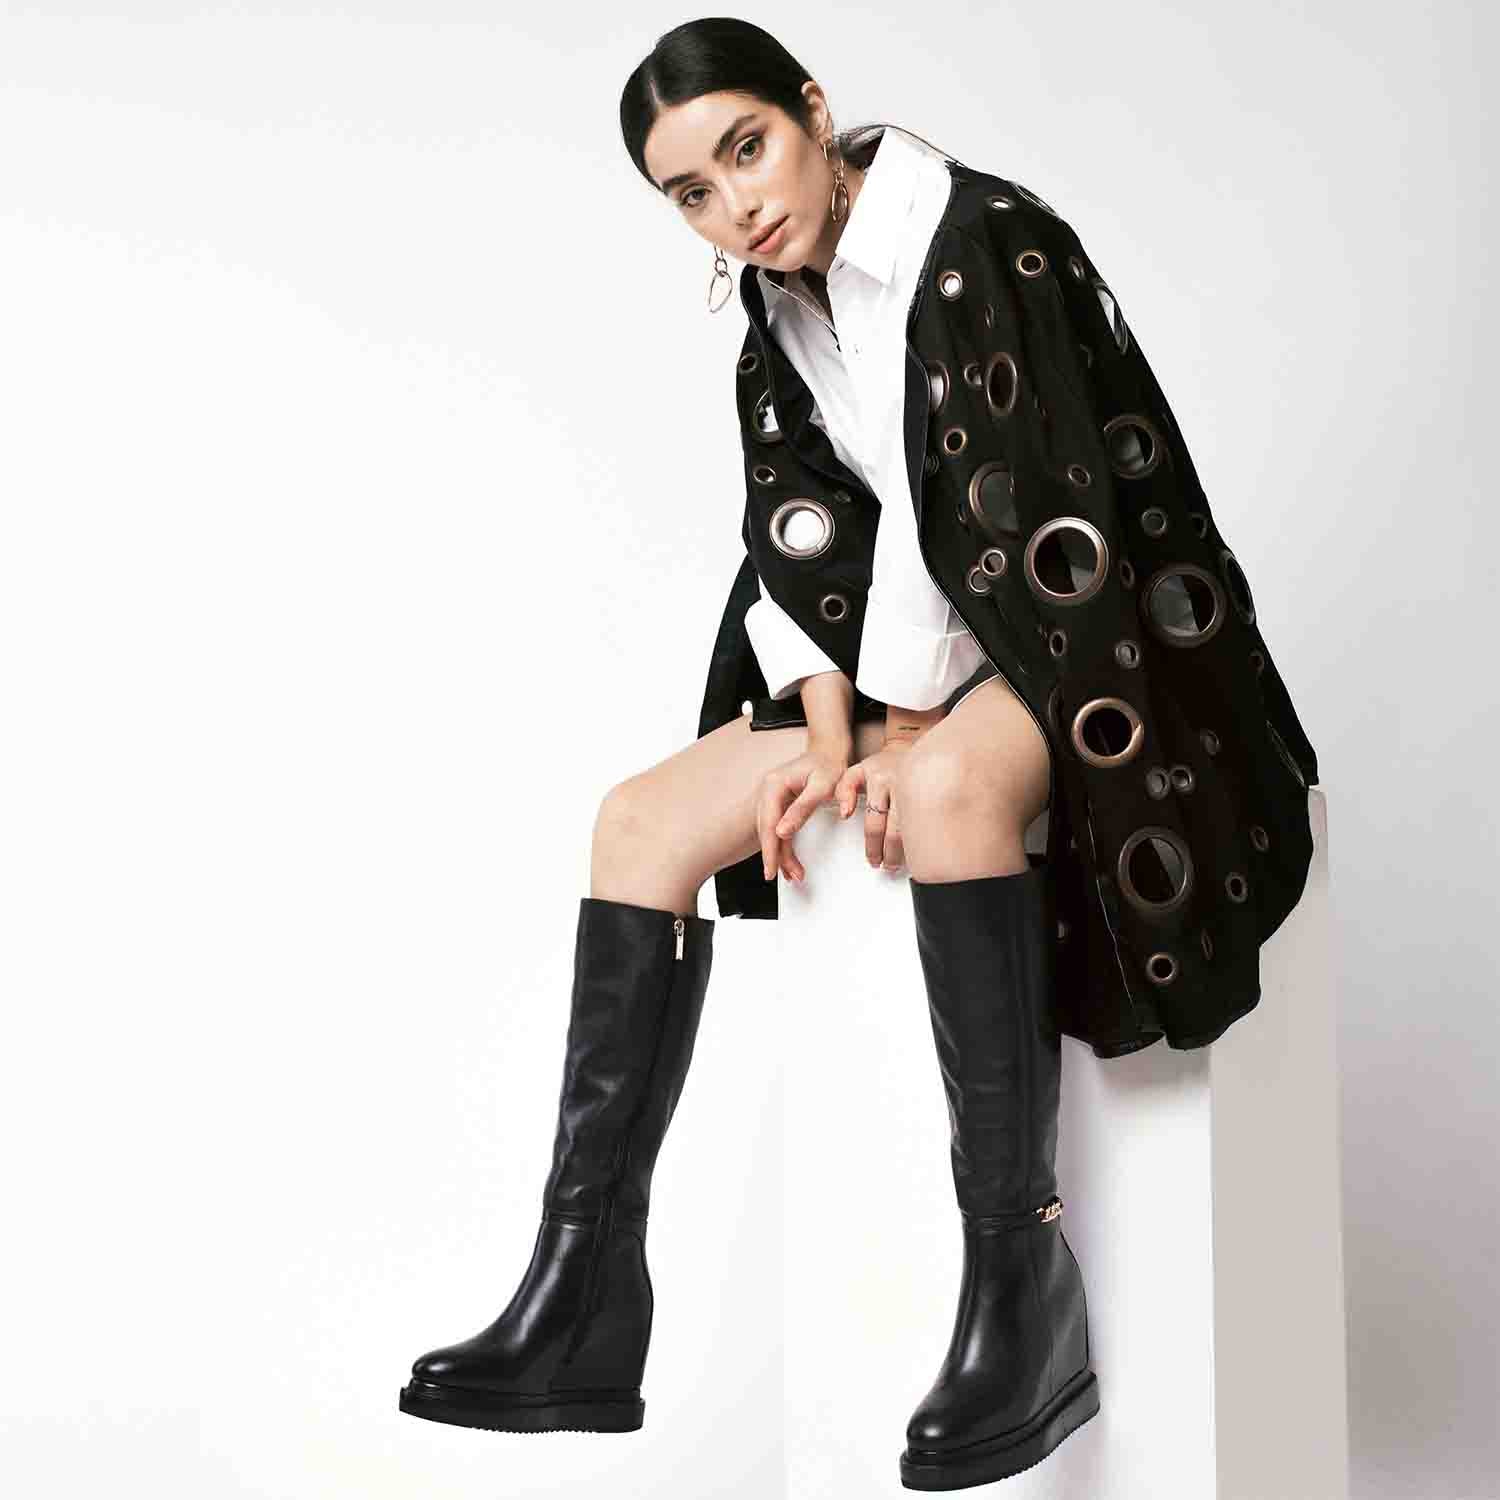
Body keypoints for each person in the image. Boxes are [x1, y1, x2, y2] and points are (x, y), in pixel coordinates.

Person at [396, 14, 1324, 1489]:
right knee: (638, 823)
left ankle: (1023, 1285)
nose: (736, 204)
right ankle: (585, 1288)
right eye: (692, 193)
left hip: (1091, 625)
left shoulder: (979, 244)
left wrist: (900, 731)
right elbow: (806, 529)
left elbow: (1014, 507)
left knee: (947, 794)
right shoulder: (780, 308)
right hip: (929, 649)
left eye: (747, 148)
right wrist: (831, 734)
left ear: (814, 111)